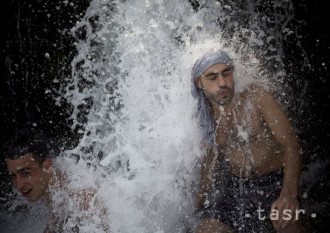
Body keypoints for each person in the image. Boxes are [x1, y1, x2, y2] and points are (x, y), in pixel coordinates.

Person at [191, 50, 306, 232]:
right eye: (212, 77)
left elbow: (291, 144)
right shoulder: (205, 119)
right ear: (199, 82)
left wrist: (289, 195)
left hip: (275, 182)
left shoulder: (256, 97)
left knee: (288, 222)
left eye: (226, 73)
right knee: (207, 229)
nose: (222, 83)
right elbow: (209, 163)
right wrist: (197, 204)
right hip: (238, 188)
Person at [4, 130, 110, 232]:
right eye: (13, 175)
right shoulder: (51, 186)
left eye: (26, 173)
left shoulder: (81, 199)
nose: (18, 185)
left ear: (47, 165)